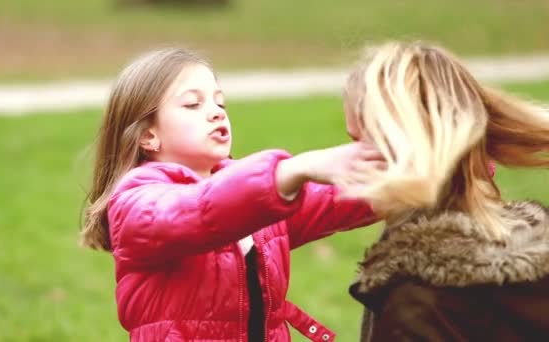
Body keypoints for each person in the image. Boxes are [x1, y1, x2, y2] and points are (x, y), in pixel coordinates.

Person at [80, 47, 385, 341]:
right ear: (148, 134)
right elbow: (198, 211)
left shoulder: (257, 196)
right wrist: (291, 171)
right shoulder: (136, 203)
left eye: (220, 103)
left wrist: (407, 166)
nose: (215, 113)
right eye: (192, 105)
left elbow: (335, 197)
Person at [342, 41, 549, 341]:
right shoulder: (532, 256)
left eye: (359, 140)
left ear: (398, 145)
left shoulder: (417, 302)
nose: (345, 159)